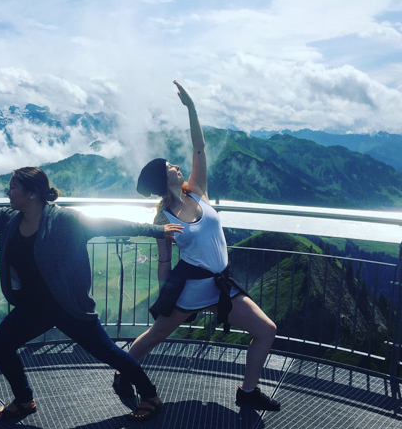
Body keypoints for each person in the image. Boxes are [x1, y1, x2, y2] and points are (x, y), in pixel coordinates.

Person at [0, 166, 182, 422]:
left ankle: (151, 397)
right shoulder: (7, 220)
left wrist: (156, 230)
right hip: (34, 308)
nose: (7, 192)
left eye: (12, 187)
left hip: (69, 306)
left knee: (109, 353)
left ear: (31, 193)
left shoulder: (65, 221)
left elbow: (110, 224)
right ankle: (24, 400)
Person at [113, 81, 280, 411]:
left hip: (221, 286)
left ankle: (248, 391)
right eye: (170, 168)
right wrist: (165, 293)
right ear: (165, 181)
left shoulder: (197, 191)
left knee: (266, 330)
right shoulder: (163, 218)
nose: (177, 167)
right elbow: (164, 259)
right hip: (191, 287)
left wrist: (191, 109)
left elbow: (199, 147)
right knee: (158, 334)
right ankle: (123, 370)